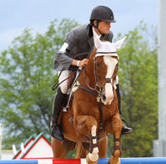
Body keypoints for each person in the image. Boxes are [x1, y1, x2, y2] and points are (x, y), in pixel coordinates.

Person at [51, 5, 133, 141]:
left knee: (115, 80)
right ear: (95, 23)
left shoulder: (108, 36)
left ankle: (119, 117)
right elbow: (59, 55)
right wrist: (77, 63)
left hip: (94, 69)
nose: (109, 26)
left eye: (110, 23)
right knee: (64, 87)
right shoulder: (76, 34)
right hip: (71, 65)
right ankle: (55, 124)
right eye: (107, 23)